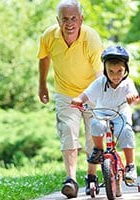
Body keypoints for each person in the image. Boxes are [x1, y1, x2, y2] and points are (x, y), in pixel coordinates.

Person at [37, 0, 104, 198]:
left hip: (91, 91)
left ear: (81, 19)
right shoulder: (49, 36)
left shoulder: (91, 38)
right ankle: (71, 179)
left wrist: (99, 97)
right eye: (65, 19)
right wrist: (42, 84)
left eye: (74, 18)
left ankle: (92, 176)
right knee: (67, 130)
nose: (69, 23)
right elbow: (44, 57)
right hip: (65, 92)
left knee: (94, 135)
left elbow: (99, 72)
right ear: (58, 20)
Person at [71, 45, 140, 184]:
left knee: (126, 132)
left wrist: (133, 97)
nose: (115, 76)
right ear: (105, 71)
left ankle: (130, 165)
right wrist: (78, 100)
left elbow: (135, 97)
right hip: (102, 112)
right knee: (96, 124)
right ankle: (99, 150)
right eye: (111, 71)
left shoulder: (127, 84)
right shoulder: (100, 83)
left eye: (119, 71)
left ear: (126, 70)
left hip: (121, 113)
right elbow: (85, 95)